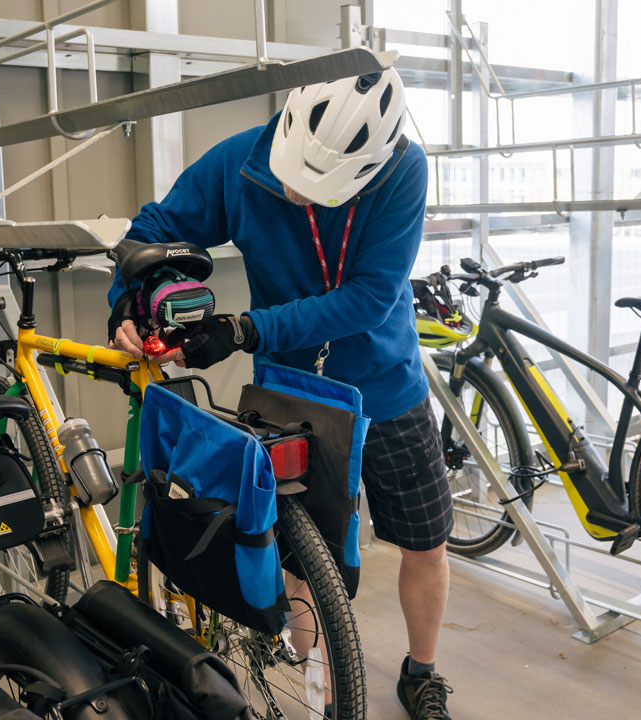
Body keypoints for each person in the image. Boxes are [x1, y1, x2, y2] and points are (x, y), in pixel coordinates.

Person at [107, 67, 455, 720]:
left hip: (386, 387)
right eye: (296, 179)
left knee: (425, 540)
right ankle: (316, 677)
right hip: (290, 392)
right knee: (300, 550)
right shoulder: (239, 163)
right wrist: (131, 299)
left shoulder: (402, 170)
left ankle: (423, 672)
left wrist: (243, 329)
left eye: (322, 192)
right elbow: (150, 231)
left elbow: (371, 297)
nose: (301, 196)